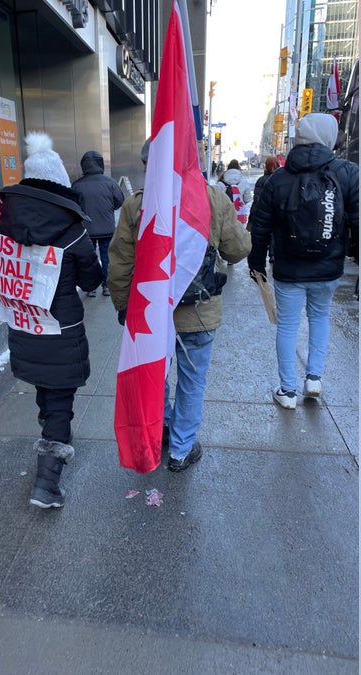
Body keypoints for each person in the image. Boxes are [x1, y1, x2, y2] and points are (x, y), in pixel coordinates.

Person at [108, 139, 252, 472]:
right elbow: (237, 250)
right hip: (199, 313)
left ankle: (162, 429)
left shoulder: (137, 205)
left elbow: (121, 262)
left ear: (149, 165)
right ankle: (182, 449)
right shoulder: (213, 197)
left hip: (151, 314)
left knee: (156, 376)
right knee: (192, 381)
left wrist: (122, 305)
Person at [0, 132, 102, 508]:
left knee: (45, 388)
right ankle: (46, 485)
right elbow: (92, 280)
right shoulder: (72, 229)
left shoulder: (0, 223)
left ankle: (52, 432)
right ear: (60, 184)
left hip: (23, 327)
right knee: (60, 399)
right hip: (61, 330)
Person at [246, 113, 358, 408]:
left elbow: (260, 225)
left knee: (287, 326)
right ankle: (314, 378)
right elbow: (360, 223)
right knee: (320, 317)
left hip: (289, 269)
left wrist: (256, 262)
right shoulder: (347, 172)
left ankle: (287, 391)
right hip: (329, 266)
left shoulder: (279, 179)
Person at [71, 150, 125, 298]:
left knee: (88, 259)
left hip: (86, 230)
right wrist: (108, 209)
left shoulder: (77, 185)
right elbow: (119, 201)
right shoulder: (111, 183)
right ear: (101, 164)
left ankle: (91, 287)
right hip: (107, 228)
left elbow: (73, 206)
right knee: (107, 258)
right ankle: (107, 286)